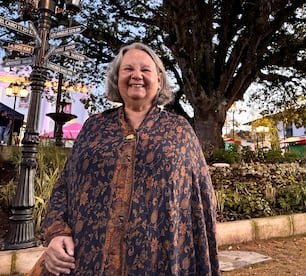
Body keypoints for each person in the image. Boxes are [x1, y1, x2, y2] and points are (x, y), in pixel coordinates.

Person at [29, 42, 220, 275]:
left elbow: (201, 199)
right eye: (128, 69)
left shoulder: (179, 130)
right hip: (89, 258)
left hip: (159, 259)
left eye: (145, 70)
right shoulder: (95, 127)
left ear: (159, 80)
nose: (136, 75)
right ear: (116, 78)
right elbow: (64, 186)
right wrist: (57, 232)